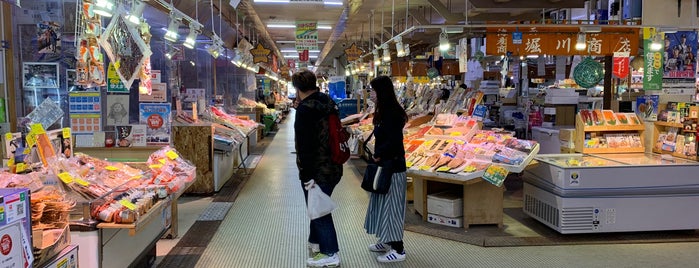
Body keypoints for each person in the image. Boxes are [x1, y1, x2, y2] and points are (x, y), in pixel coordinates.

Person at [292, 69, 343, 267]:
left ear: (298, 88)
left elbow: (305, 145)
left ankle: (330, 253)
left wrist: (306, 174)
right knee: (316, 206)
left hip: (317, 169)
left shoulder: (306, 110)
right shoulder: (327, 102)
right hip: (333, 165)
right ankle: (315, 242)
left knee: (320, 211)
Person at [364, 75, 409, 263]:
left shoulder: (392, 113)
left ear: (382, 91)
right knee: (382, 203)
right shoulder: (384, 110)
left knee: (392, 208)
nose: (371, 94)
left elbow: (394, 141)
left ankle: (398, 249)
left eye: (373, 90)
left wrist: (380, 153)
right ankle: (386, 239)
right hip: (386, 164)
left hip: (394, 166)